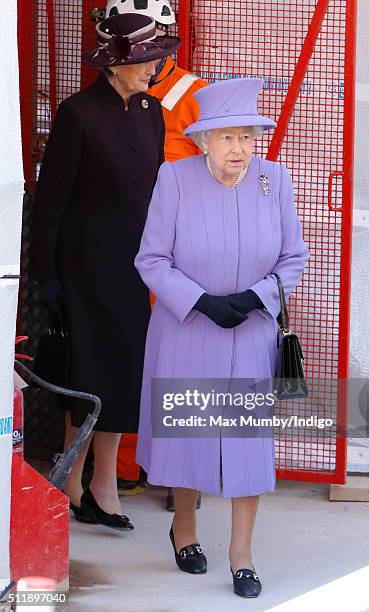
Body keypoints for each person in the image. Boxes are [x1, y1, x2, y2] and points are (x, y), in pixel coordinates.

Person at [134, 77, 309, 597]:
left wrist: (258, 298)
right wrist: (202, 302)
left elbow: (293, 258)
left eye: (249, 136)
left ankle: (241, 554)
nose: (240, 148)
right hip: (188, 328)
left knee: (246, 442)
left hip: (252, 330)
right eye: (227, 137)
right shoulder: (175, 177)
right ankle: (184, 529)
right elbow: (151, 259)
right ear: (203, 140)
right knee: (190, 432)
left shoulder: (273, 180)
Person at [30, 13, 180, 530]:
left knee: (123, 374)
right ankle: (73, 482)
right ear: (114, 65)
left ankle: (101, 483)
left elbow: (154, 196)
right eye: (141, 59)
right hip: (83, 269)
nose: (152, 66)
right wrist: (45, 275)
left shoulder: (152, 112)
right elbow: (51, 203)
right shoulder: (77, 114)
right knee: (85, 374)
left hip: (133, 267)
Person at [105, 0, 208, 507]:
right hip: (126, 241)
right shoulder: (109, 91)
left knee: (182, 356)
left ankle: (181, 473)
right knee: (130, 350)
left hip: (180, 250)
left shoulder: (196, 95)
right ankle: (125, 469)